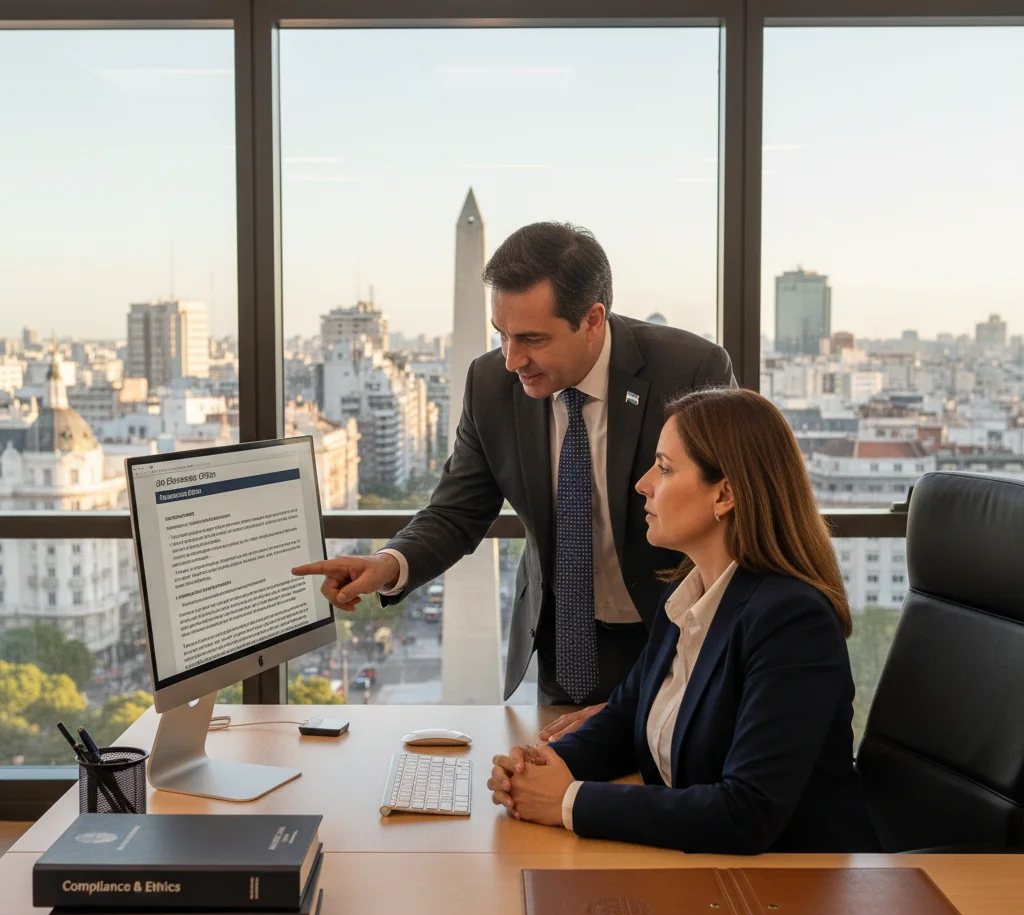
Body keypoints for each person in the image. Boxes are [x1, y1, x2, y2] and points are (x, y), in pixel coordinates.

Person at [292, 222, 735, 708]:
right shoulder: (489, 384)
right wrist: (387, 563)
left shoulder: (690, 371)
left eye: (532, 339)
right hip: (567, 649)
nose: (511, 359)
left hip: (677, 640)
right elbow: (457, 512)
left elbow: (737, 512)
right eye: (501, 334)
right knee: (558, 780)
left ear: (592, 320)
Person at [487, 388, 879, 854]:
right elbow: (627, 716)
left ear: (726, 493)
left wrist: (569, 801)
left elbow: (746, 812)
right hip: (704, 869)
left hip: (789, 892)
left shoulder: (792, 621)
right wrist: (543, 767)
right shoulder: (688, 592)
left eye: (666, 468)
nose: (644, 484)